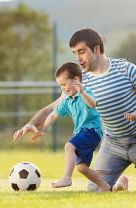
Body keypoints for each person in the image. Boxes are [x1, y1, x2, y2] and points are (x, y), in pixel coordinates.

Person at [13, 28, 136, 192]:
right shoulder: (80, 81)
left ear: (97, 49)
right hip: (113, 143)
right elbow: (53, 107)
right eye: (74, 53)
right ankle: (120, 183)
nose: (78, 58)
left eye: (82, 51)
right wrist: (31, 123)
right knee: (96, 190)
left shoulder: (126, 70)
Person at [29, 62, 111, 191]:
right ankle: (106, 187)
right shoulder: (67, 100)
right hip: (81, 133)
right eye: (60, 86)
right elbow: (53, 115)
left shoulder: (86, 92)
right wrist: (42, 129)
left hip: (92, 131)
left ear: (76, 80)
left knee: (69, 146)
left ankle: (67, 178)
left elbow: (93, 104)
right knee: (81, 168)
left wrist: (82, 92)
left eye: (64, 84)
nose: (63, 88)